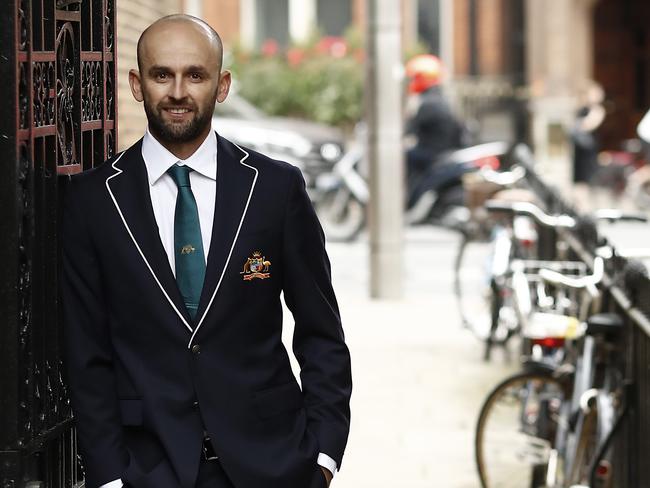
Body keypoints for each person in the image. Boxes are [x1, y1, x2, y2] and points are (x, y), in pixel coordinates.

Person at [61, 15, 351, 488]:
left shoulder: (276, 189)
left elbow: (321, 332)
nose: (178, 91)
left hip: (274, 462)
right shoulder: (93, 200)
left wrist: (323, 453)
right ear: (136, 84)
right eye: (162, 75)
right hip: (149, 469)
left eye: (195, 75)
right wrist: (110, 475)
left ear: (222, 85)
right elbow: (86, 351)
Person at [404, 54, 466, 183]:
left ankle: (408, 194)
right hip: (444, 151)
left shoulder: (428, 103)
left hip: (434, 154)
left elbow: (409, 129)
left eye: (414, 78)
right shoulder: (441, 98)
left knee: (403, 156)